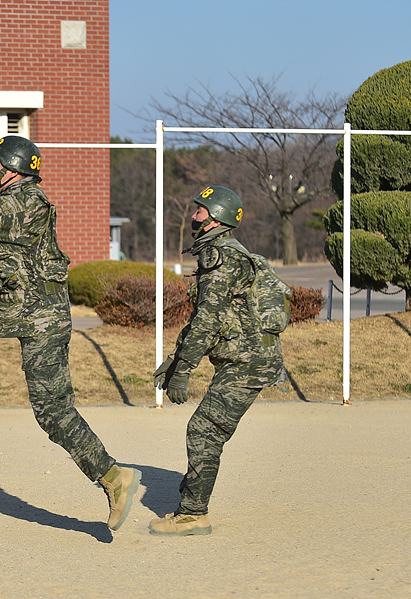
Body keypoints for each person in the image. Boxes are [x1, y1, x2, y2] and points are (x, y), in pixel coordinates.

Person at [0, 135, 141, 531]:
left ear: (14, 168)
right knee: (51, 411)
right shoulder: (12, 202)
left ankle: (115, 477)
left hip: (43, 320)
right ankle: (112, 476)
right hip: (32, 317)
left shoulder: (27, 202)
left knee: (52, 411)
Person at [150, 185, 285, 536]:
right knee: (206, 430)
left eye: (199, 211)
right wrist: (176, 358)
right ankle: (193, 498)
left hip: (248, 363)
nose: (193, 215)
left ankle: (194, 514)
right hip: (245, 358)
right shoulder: (221, 252)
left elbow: (208, 320)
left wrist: (184, 372)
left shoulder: (221, 258)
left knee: (204, 431)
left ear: (215, 219)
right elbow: (210, 319)